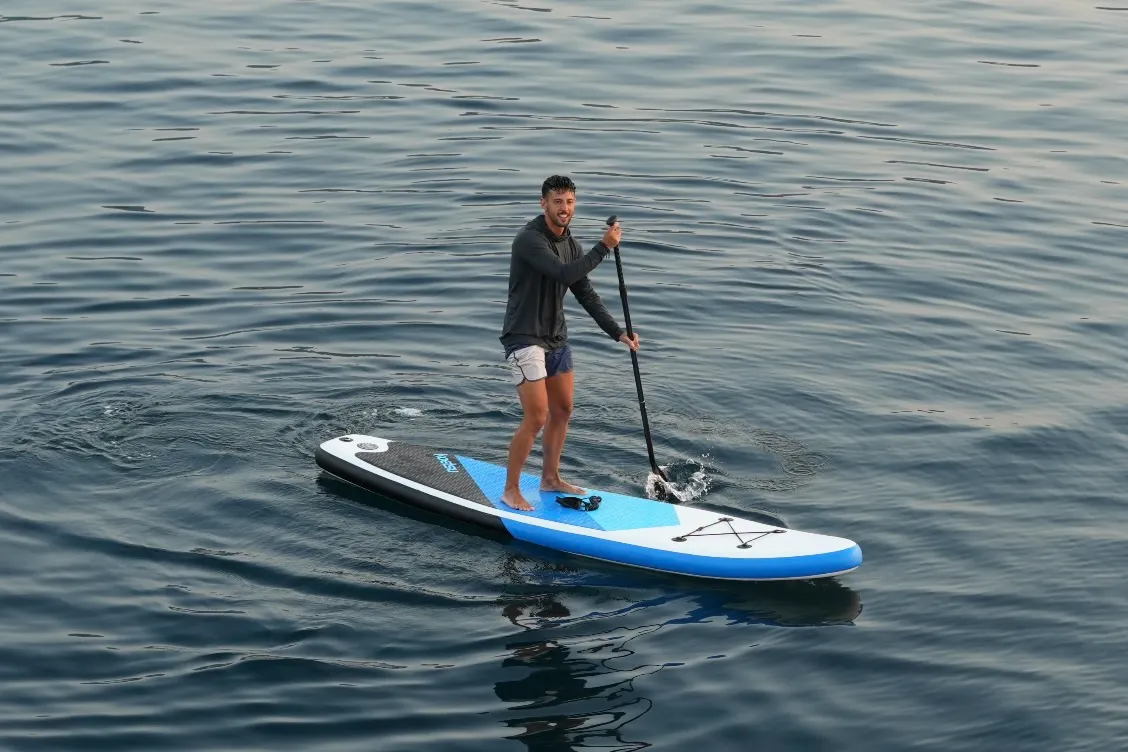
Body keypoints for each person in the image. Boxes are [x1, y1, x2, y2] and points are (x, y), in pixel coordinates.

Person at [499, 175, 640, 511]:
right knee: (537, 417)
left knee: (563, 410)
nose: (565, 208)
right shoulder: (529, 239)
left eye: (570, 202)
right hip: (524, 338)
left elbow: (585, 293)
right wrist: (604, 247)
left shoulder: (571, 245)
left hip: (556, 338)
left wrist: (617, 332)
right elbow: (563, 274)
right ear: (543, 203)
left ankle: (550, 478)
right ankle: (510, 489)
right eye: (558, 202)